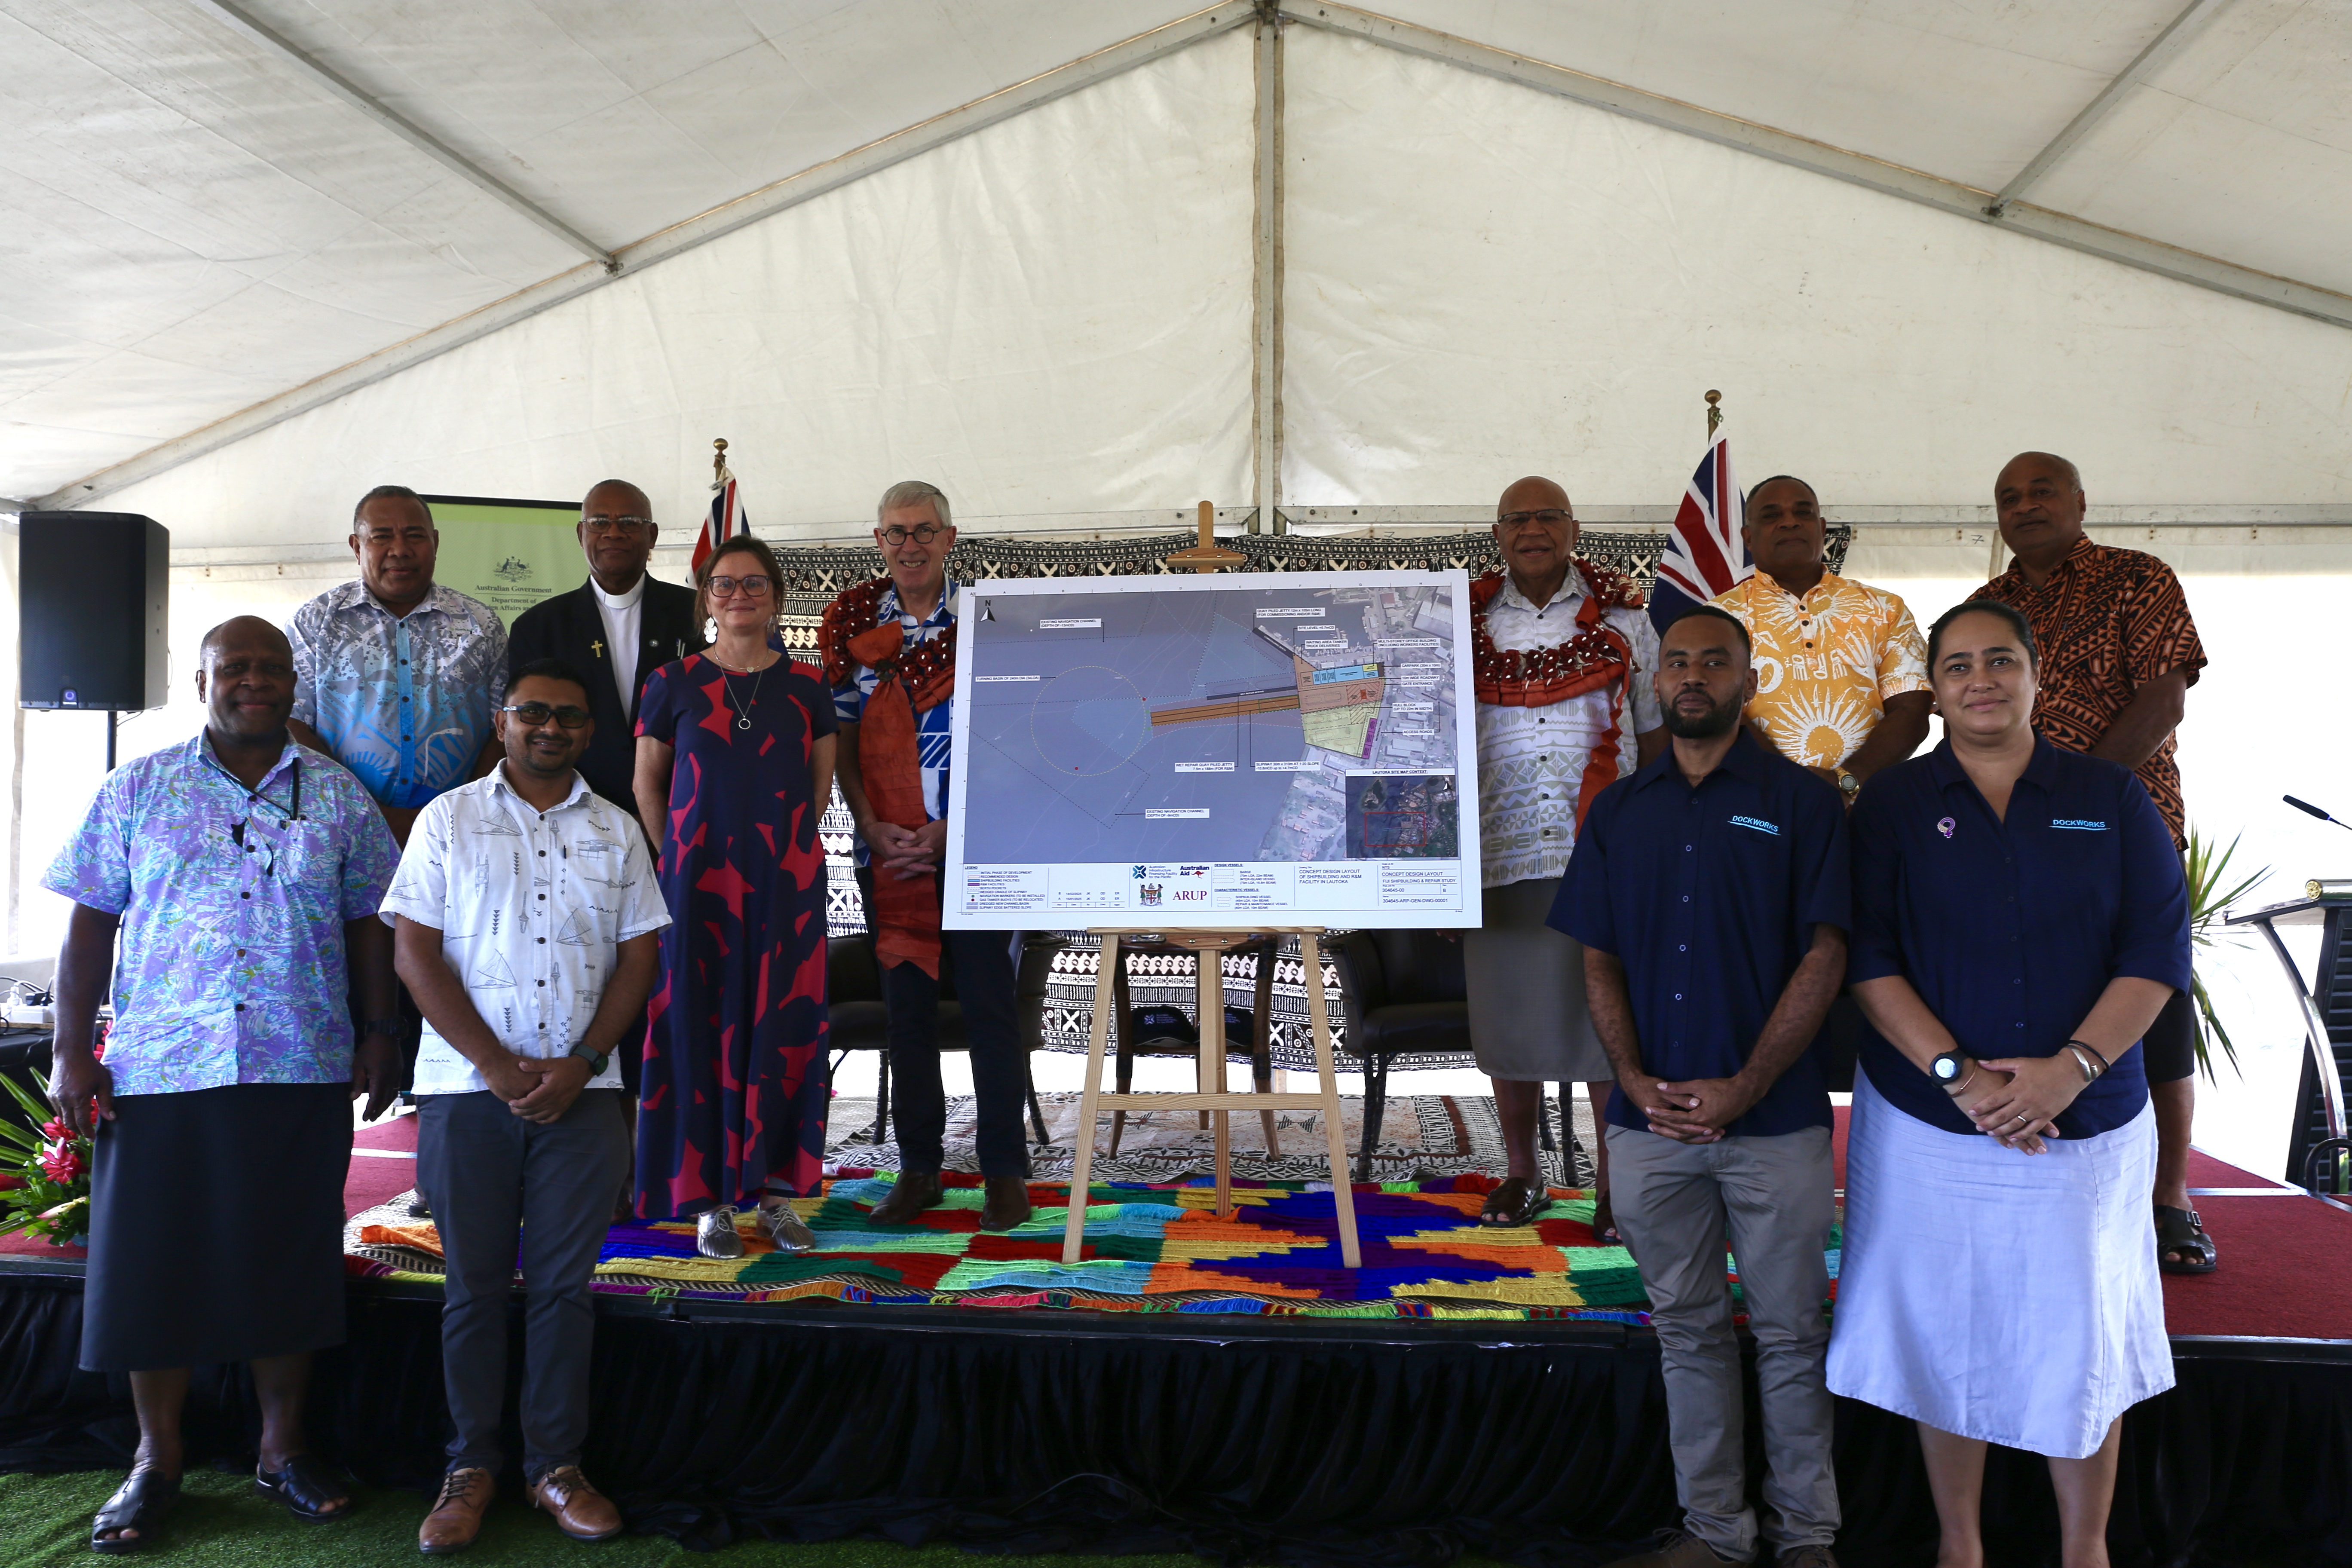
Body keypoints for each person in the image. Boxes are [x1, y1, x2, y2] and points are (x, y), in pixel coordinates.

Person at [1828, 600, 2186, 1568]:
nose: (1979, 679)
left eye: (1999, 661)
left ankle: (2085, 1548)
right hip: (1933, 1127)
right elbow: (1869, 955)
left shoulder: (2110, 795)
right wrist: (1960, 1077)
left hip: (2090, 1125)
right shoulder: (1895, 804)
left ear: (2036, 675)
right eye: (1956, 667)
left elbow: (2157, 949)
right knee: (1950, 1332)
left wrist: (2072, 1071)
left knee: (2084, 1336)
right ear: (1935, 689)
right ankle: (1960, 1547)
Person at [43, 617, 401, 1552]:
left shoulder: (339, 797)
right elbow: (90, 927)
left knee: (286, 1255)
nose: (253, 681)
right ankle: (156, 1460)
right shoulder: (136, 788)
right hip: (161, 1065)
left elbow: (370, 923)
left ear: (295, 684)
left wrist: (378, 1031)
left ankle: (282, 1451)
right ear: (200, 680)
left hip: (300, 1057)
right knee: (153, 1263)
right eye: (233, 667)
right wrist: (70, 1048)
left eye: (270, 668)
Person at [1556, 606, 1848, 1568]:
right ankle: (1718, 1534)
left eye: (1713, 662)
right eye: (1676, 662)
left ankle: (1808, 1539)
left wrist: (1748, 1082)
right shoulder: (1619, 810)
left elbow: (1824, 957)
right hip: (1648, 1130)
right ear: (1656, 680)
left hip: (1775, 1124)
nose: (1691, 676)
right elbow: (1598, 961)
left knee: (1791, 1335)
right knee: (1686, 1333)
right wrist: (1633, 1081)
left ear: (1748, 679)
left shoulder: (1804, 802)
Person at [385, 658, 667, 1553]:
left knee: (562, 1290)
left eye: (571, 719)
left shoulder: (619, 831)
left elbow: (639, 961)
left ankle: (556, 1468)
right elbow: (415, 956)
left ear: (591, 732)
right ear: (501, 722)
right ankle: (469, 1468)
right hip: (467, 1093)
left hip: (586, 1097)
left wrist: (584, 1064)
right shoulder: (446, 821)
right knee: (469, 1286)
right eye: (534, 713)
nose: (552, 728)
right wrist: (495, 1065)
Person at [1970, 452, 2213, 1274]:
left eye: (2042, 491)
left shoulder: (2137, 578)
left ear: (2079, 500)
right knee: (2035, 996)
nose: (2025, 505)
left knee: (2156, 1008)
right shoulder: (1983, 607)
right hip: (2010, 840)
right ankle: (2030, 1147)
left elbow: (2164, 696)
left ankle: (2169, 1198)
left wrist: (2074, 799)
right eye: (2009, 497)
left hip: (2127, 824)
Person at [823, 480, 1032, 1233]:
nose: (908, 544)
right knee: (905, 1018)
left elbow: (1008, 739)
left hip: (973, 852)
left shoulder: (988, 621)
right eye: (893, 533)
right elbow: (841, 738)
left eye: (922, 530)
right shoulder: (850, 621)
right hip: (888, 852)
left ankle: (1004, 1172)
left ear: (950, 538)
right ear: (878, 541)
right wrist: (871, 822)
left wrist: (956, 826)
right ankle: (918, 1171)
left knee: (988, 1010)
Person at [1466, 476, 1664, 1232]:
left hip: (1599, 848)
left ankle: (1615, 1189)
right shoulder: (1464, 618)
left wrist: (1646, 843)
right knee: (1508, 1016)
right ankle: (1523, 1176)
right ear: (1498, 533)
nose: (1533, 528)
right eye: (1517, 517)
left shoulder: (1625, 619)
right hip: (1496, 850)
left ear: (1573, 527)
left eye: (1548, 514)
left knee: (1605, 1023)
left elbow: (1651, 737)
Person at [633, 534, 836, 1256]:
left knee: (784, 1035)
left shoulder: (809, 688)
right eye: (724, 584)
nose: (739, 595)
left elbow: (817, 791)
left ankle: (778, 1198)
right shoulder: (673, 682)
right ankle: (709, 1202)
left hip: (786, 890)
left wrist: (783, 857)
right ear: (704, 598)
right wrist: (678, 861)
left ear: (777, 596)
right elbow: (645, 783)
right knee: (697, 1026)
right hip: (696, 887)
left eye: (754, 584)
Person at [285, 484, 507, 845]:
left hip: (459, 833)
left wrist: (462, 809)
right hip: (344, 828)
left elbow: (503, 727)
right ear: (357, 547)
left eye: (415, 536)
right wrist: (363, 808)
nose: (400, 550)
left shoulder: (480, 625)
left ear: (435, 542)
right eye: (382, 537)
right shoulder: (315, 623)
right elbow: (293, 722)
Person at [1711, 475, 1929, 799]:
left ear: (1822, 528)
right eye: (1771, 516)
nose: (1790, 523)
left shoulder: (1885, 608)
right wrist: (1792, 788)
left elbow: (1913, 709)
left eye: (1803, 513)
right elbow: (1716, 712)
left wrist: (1849, 781)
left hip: (1870, 804)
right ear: (1748, 537)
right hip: (1758, 805)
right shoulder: (1717, 619)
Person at [503, 479, 707, 822]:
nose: (614, 533)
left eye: (629, 522)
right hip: (576, 816)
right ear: (581, 534)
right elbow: (527, 733)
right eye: (600, 523)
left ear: (653, 535)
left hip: (684, 809)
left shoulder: (698, 613)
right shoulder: (538, 628)